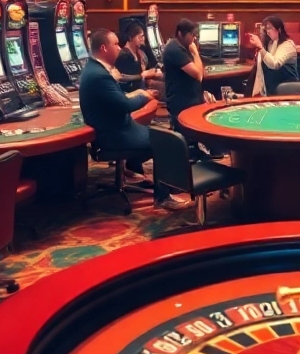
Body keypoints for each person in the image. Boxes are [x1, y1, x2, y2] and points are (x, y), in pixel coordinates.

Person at [79, 28, 192, 210]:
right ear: (104, 48)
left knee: (164, 135)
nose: (119, 47)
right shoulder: (98, 75)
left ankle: (168, 184)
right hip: (114, 135)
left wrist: (136, 93)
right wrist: (145, 95)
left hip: (118, 127)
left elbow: (117, 97)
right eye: (115, 44)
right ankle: (162, 197)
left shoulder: (95, 69)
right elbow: (126, 105)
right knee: (165, 142)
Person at [162, 18, 215, 160]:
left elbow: (200, 74)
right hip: (181, 101)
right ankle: (187, 165)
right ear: (180, 33)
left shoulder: (182, 47)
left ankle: (198, 155)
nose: (194, 38)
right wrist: (196, 53)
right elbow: (198, 74)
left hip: (189, 98)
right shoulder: (175, 50)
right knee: (185, 139)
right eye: (192, 34)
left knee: (193, 135)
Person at [249, 15, 299, 96]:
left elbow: (274, 64)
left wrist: (260, 47)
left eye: (270, 28)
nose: (267, 32)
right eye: (266, 29)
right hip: (271, 90)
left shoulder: (288, 45)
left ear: (279, 29)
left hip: (287, 90)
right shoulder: (270, 44)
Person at [115, 22, 162, 95]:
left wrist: (151, 72)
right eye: (140, 37)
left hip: (140, 86)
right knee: (163, 87)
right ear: (130, 38)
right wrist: (144, 75)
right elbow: (121, 78)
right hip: (131, 92)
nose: (142, 39)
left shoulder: (139, 51)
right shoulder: (124, 55)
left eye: (143, 36)